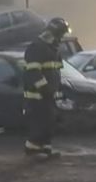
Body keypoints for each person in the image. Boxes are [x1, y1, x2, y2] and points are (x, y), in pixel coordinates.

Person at [23, 17, 70, 158]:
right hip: (37, 95)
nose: (62, 37)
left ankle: (45, 148)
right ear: (54, 32)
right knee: (40, 122)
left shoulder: (54, 49)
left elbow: (56, 71)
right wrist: (45, 88)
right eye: (61, 34)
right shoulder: (37, 47)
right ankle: (32, 149)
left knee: (50, 122)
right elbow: (33, 71)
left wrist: (59, 88)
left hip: (49, 94)